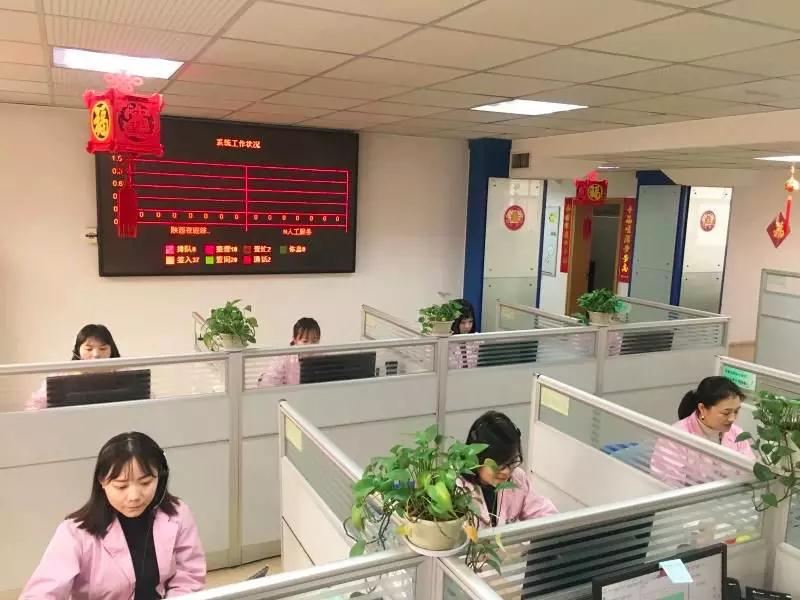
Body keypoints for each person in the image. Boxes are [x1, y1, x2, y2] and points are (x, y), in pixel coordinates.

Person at [21, 432, 206, 599]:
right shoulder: (75, 532)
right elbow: (43, 591)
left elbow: (188, 576)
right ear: (102, 482)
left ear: (161, 478)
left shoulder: (178, 514)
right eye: (121, 486)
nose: (134, 496)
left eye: (145, 483)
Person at [650, 377, 754, 487]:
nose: (732, 418)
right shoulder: (674, 437)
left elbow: (748, 474)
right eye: (725, 413)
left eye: (736, 411)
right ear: (702, 409)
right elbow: (668, 485)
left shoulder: (737, 434)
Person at [461, 411, 557, 527]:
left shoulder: (517, 478)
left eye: (511, 462)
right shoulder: (457, 487)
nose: (506, 471)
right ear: (475, 458)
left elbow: (544, 513)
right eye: (498, 465)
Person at [26, 324, 122, 411]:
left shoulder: (123, 373)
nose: (96, 354)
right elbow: (34, 406)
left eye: (103, 349)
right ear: (77, 351)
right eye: (89, 349)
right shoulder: (60, 376)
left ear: (111, 351)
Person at [257, 317, 321, 386]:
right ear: (295, 340)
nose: (310, 345)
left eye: (315, 341)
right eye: (305, 341)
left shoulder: (322, 358)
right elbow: (267, 383)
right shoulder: (284, 358)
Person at [448, 299, 479, 369]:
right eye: (463, 322)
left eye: (470, 322)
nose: (467, 326)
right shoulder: (445, 342)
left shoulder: (477, 339)